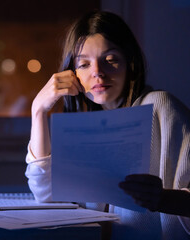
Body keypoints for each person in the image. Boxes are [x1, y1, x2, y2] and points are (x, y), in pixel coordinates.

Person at [25, 10, 190, 239]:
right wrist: (38, 110)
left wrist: (162, 198)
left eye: (110, 60)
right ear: (72, 73)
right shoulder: (87, 126)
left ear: (129, 63)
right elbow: (46, 195)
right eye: (83, 64)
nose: (98, 73)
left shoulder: (160, 106)